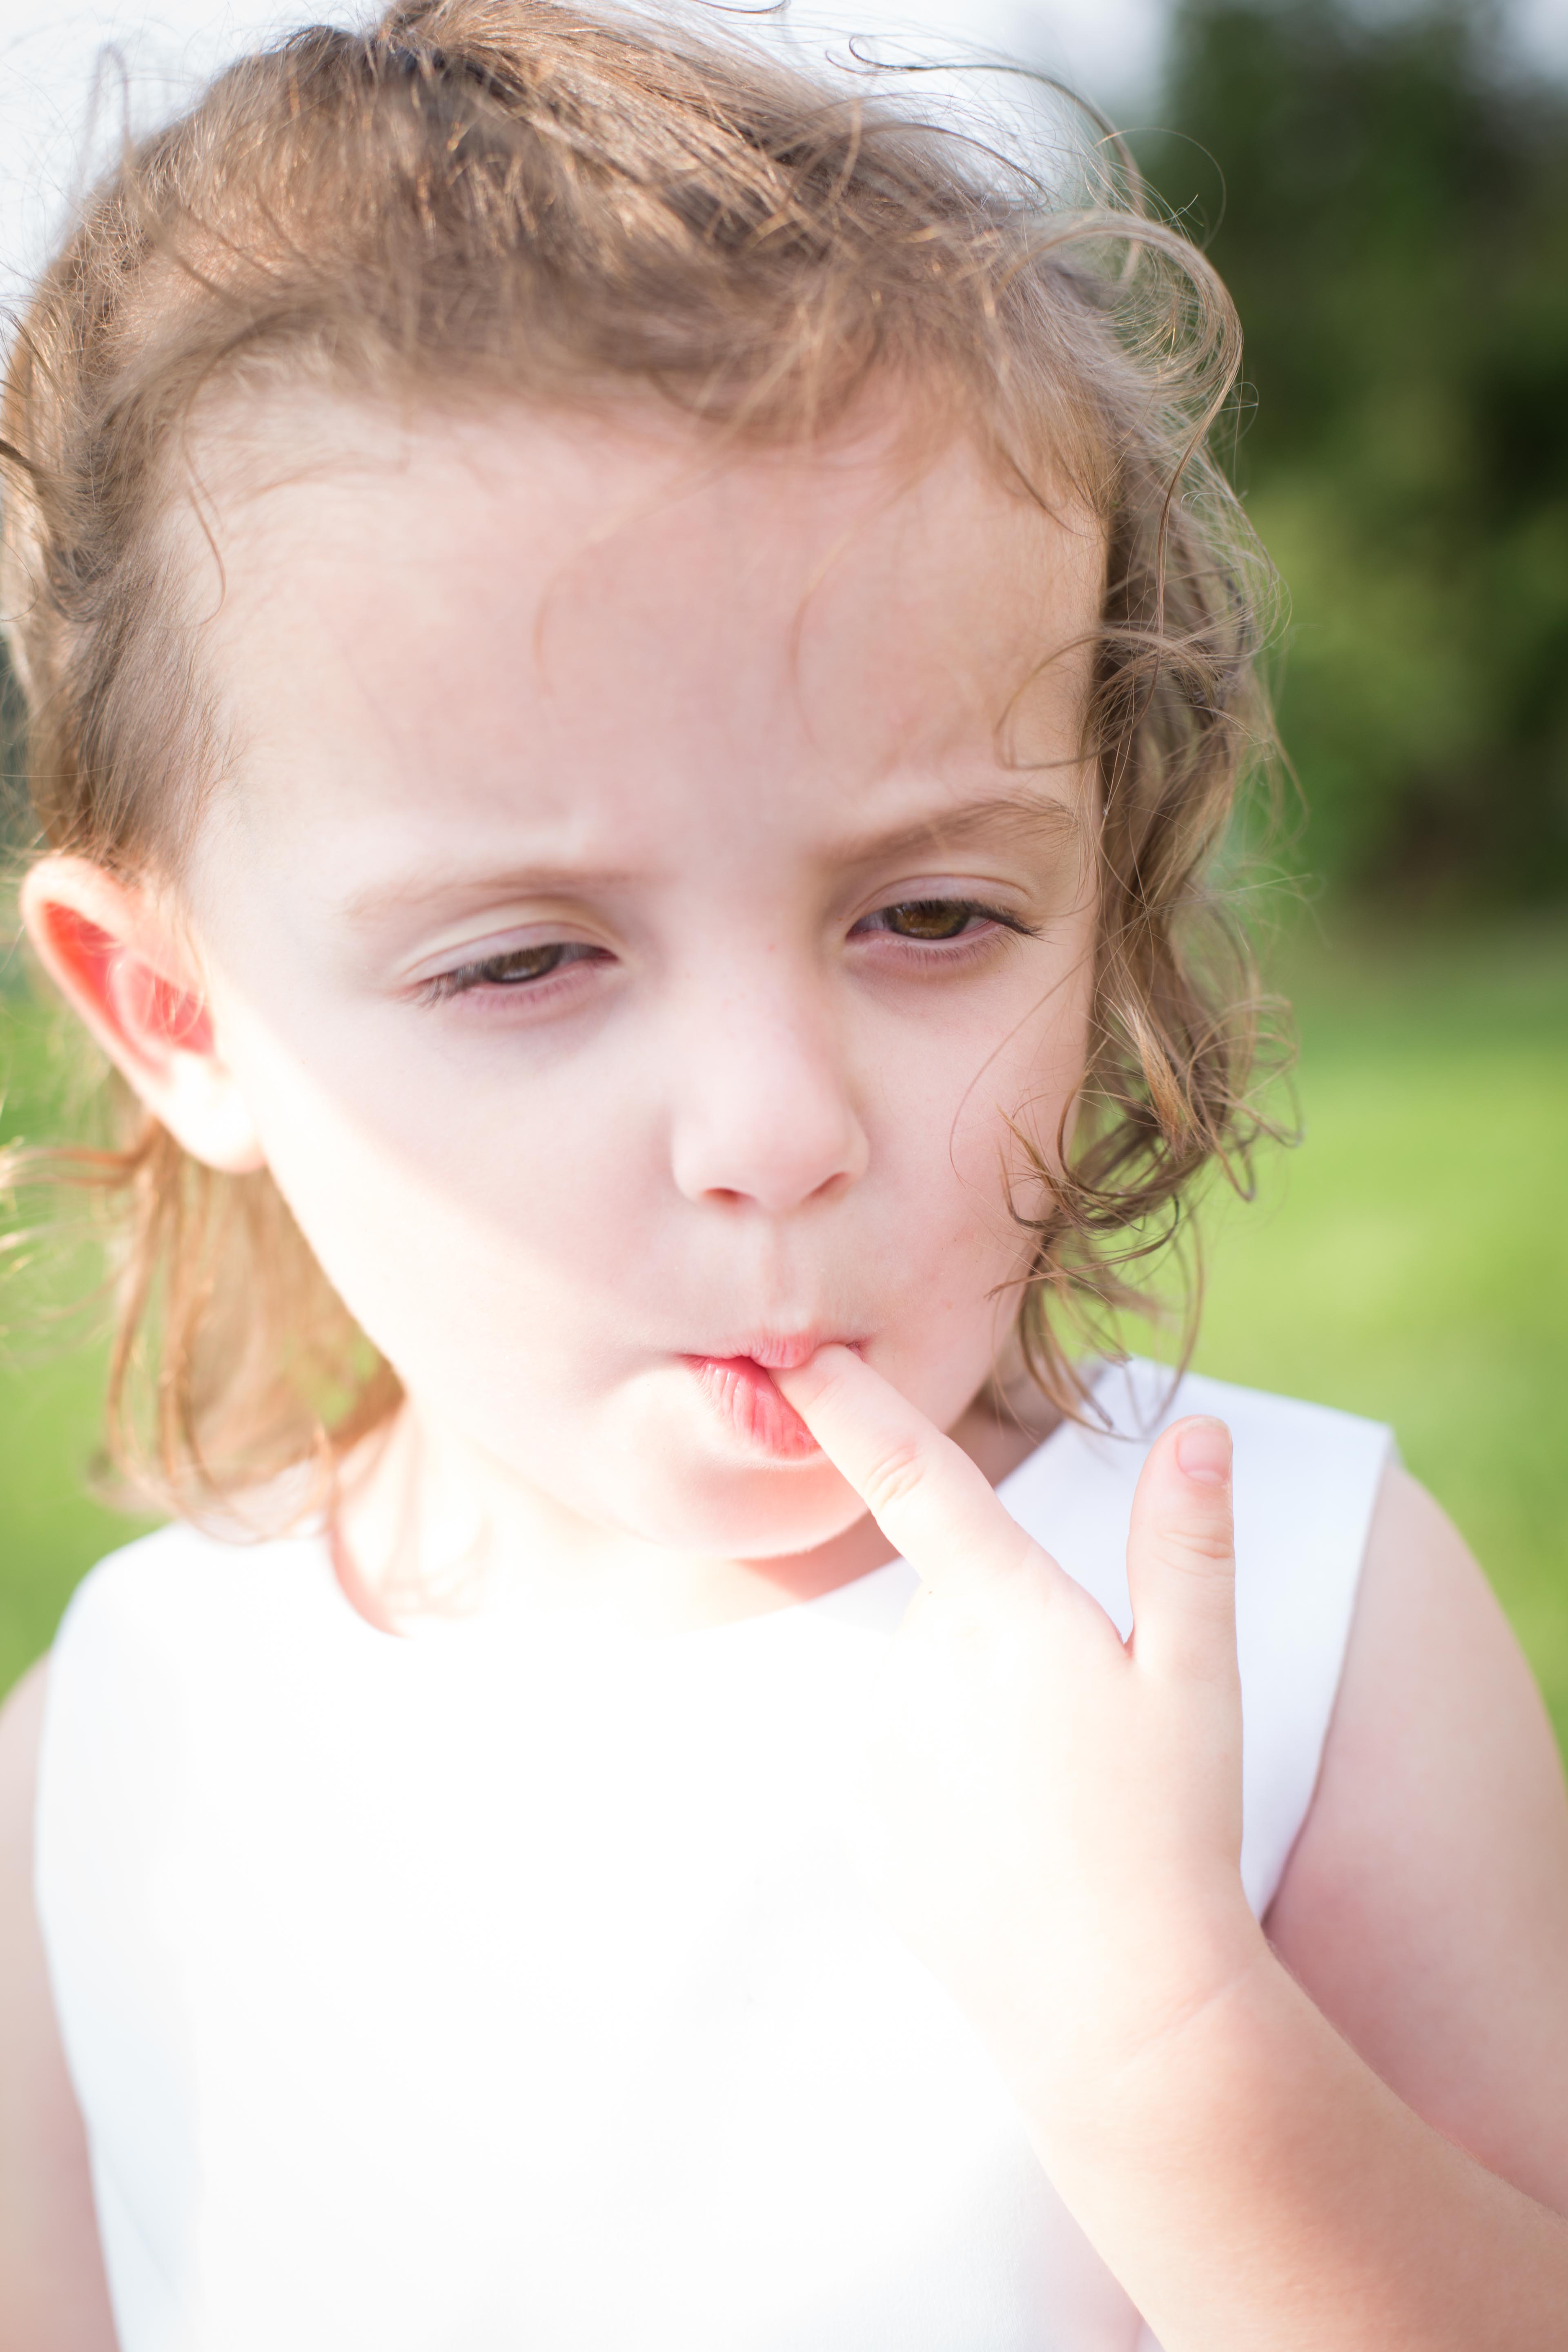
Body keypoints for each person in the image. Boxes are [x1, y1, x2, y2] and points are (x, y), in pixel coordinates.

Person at [0, 4, 1566, 2345]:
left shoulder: (1295, 1630)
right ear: (181, 1016)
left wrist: (1168, 2052)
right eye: (526, 959)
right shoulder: (112, 1761)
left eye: (932, 915)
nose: (775, 1128)